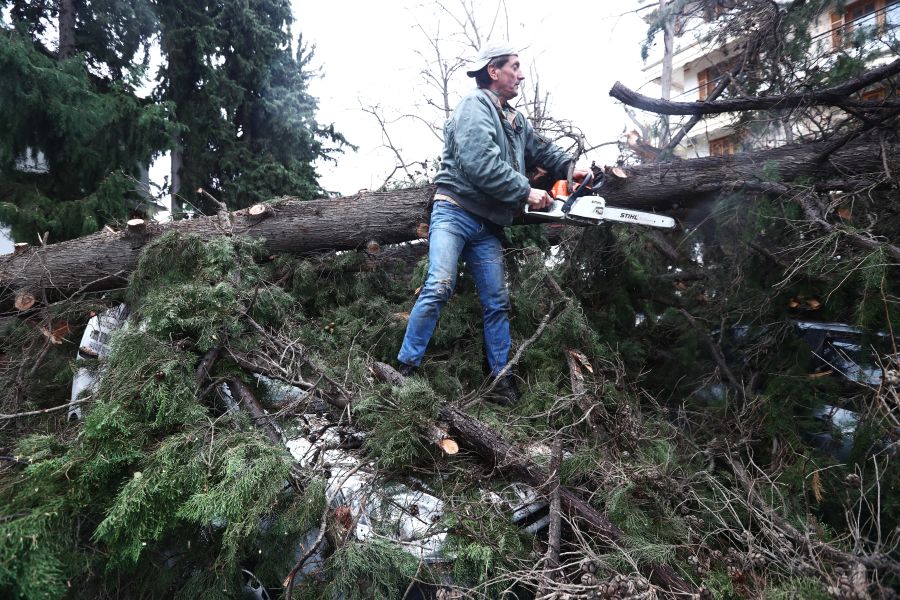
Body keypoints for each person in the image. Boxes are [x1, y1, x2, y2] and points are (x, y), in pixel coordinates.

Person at [397, 40, 589, 405]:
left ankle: (500, 381)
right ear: (493, 71)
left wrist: (570, 168)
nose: (521, 74)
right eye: (514, 67)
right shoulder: (475, 105)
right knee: (439, 285)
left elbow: (541, 149)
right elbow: (480, 163)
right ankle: (405, 369)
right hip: (454, 212)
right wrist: (525, 191)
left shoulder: (514, 119)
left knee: (497, 302)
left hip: (488, 224)